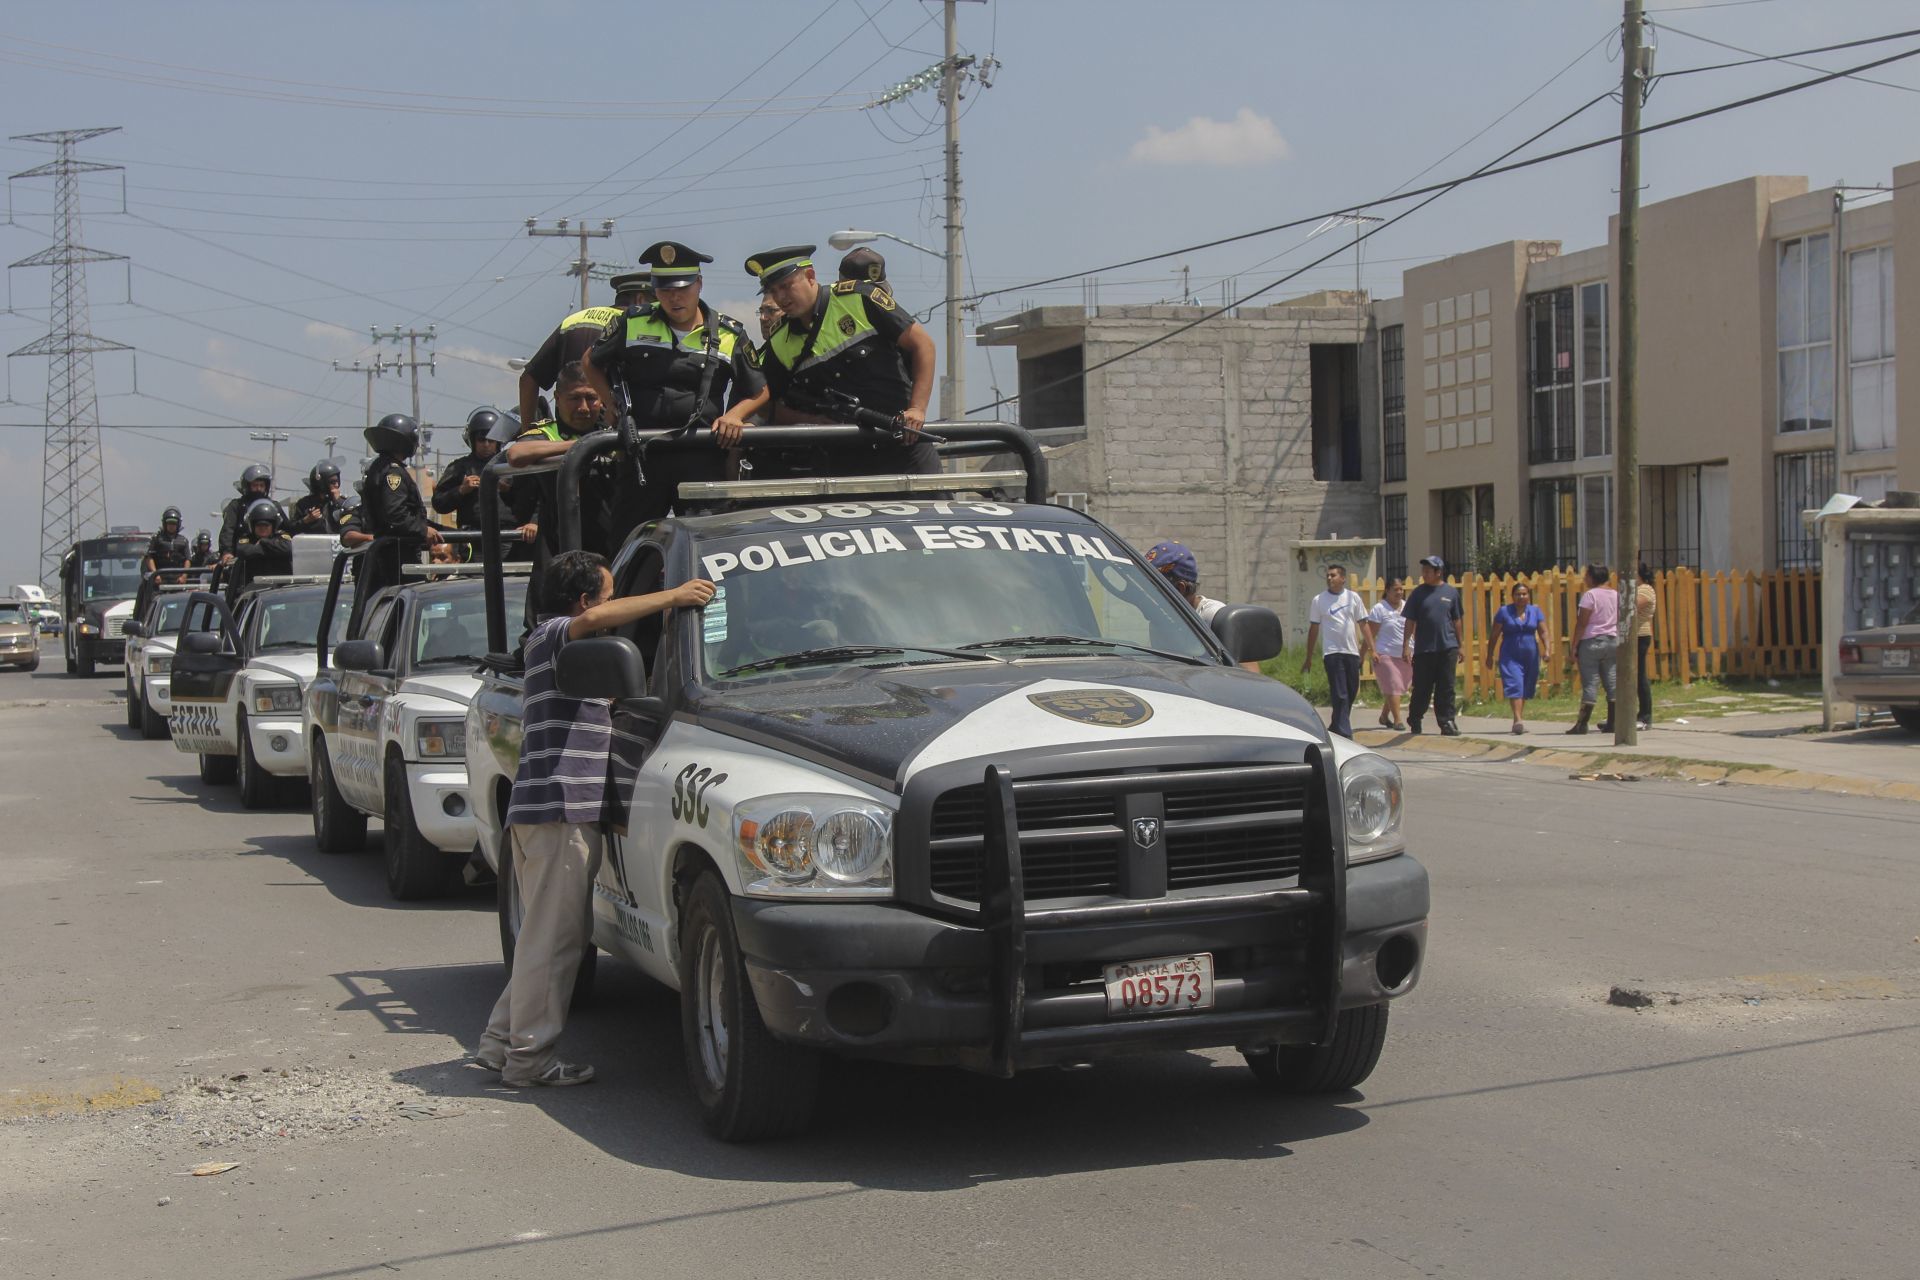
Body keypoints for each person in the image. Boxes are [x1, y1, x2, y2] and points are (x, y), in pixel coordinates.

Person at [475, 549, 715, 1087]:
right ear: (583, 601)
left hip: (545, 808)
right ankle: (529, 1059)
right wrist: (674, 597)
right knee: (556, 939)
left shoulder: (547, 646)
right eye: (609, 598)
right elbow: (590, 622)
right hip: (559, 810)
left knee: (549, 932)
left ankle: (499, 1042)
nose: (611, 609)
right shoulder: (559, 632)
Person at [582, 241, 763, 527]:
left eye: (682, 288)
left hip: (701, 454)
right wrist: (610, 401)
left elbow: (760, 391)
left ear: (699, 284)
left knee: (706, 543)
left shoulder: (730, 333)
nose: (674, 297)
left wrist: (735, 415)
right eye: (665, 289)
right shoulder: (633, 322)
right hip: (642, 453)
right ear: (654, 289)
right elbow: (591, 361)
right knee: (631, 545)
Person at [739, 244, 938, 475]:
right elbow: (765, 401)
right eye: (773, 290)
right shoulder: (779, 340)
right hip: (843, 459)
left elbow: (923, 345)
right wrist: (811, 420)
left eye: (786, 286)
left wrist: (917, 409)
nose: (781, 297)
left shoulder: (857, 298)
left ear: (810, 276)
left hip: (904, 445)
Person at [517, 272, 651, 428]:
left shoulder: (574, 320)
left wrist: (528, 433)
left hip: (566, 439)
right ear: (640, 300)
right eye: (656, 303)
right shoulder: (633, 326)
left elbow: (528, 379)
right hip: (609, 435)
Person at [359, 414, 443, 604]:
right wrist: (423, 530)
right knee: (411, 601)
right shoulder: (393, 472)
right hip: (397, 554)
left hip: (392, 551)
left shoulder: (381, 467)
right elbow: (395, 514)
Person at [1144, 540, 1262, 673]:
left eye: (1153, 589)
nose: (1148, 596)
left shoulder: (1214, 618)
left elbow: (1251, 674)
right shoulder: (1162, 621)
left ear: (1180, 589)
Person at [433, 408, 531, 556]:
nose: (486, 444)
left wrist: (507, 490)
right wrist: (461, 490)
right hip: (473, 537)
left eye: (491, 440)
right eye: (481, 440)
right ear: (473, 440)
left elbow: (531, 500)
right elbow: (439, 503)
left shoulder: (512, 465)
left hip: (508, 536)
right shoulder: (460, 467)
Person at [1302, 564, 1367, 738]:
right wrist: (1308, 657)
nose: (1329, 578)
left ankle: (1336, 725)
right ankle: (1345, 732)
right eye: (1328, 576)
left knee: (1351, 691)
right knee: (1340, 693)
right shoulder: (1319, 600)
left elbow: (1363, 624)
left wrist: (1371, 650)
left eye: (1333, 575)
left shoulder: (1353, 598)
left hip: (1351, 651)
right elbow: (1314, 629)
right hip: (1332, 653)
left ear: (1343, 578)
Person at [1402, 555, 1462, 736]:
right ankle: (1415, 718)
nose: (1425, 574)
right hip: (1424, 649)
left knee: (1446, 686)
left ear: (1438, 572)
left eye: (1429, 571)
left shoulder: (1451, 593)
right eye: (1424, 571)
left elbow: (1457, 620)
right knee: (1422, 687)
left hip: (1447, 646)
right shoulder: (1418, 594)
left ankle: (1447, 721)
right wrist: (1406, 645)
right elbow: (1410, 621)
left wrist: (1461, 645)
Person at [1486, 581, 1549, 734]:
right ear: (1512, 596)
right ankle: (1518, 720)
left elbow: (1543, 632)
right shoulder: (1504, 612)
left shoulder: (1535, 611)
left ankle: (1518, 719)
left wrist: (1547, 649)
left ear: (1529, 596)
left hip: (1530, 654)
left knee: (1526, 686)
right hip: (1510, 654)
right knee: (1515, 684)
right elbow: (1494, 635)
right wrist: (1489, 655)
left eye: (1524, 594)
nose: (1521, 597)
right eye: (1518, 594)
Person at [1569, 564, 1620, 735]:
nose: (1584, 579)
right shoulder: (1616, 595)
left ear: (1592, 577)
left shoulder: (1590, 596)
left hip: (1591, 641)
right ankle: (1613, 722)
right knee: (1612, 681)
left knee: (1590, 683)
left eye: (1586, 576)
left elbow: (1582, 623)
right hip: (1612, 640)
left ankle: (1582, 724)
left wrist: (1574, 645)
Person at [1366, 579, 1411, 731]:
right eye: (1395, 589)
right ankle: (1398, 720)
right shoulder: (1379, 609)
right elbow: (1370, 633)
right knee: (1393, 684)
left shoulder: (1407, 606)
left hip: (1405, 654)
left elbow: (1414, 629)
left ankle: (1384, 716)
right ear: (1387, 590)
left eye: (1401, 589)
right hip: (1385, 654)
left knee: (1398, 688)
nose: (1399, 592)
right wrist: (1370, 652)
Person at [227, 498, 292, 603]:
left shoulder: (282, 537)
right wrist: (273, 550)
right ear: (252, 525)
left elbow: (287, 548)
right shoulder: (246, 539)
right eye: (259, 525)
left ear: (273, 525)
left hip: (281, 592)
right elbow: (244, 551)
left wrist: (263, 542)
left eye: (266, 525)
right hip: (253, 593)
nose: (263, 528)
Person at [138, 506, 191, 620]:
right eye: (169, 523)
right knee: (151, 603)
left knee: (181, 607)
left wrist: (184, 576)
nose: (171, 526)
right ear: (164, 523)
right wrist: (155, 573)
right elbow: (149, 557)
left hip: (177, 580)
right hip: (160, 580)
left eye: (174, 523)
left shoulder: (183, 541)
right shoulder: (157, 539)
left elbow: (188, 559)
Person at [218, 464, 274, 563]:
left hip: (270, 554)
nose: (258, 489)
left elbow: (285, 528)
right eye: (255, 485)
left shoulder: (273, 506)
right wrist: (227, 552)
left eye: (261, 485)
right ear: (247, 486)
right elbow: (228, 530)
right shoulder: (236, 505)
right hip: (241, 556)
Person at [1633, 564, 1657, 730]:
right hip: (1631, 636)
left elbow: (1631, 606)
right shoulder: (1637, 589)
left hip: (1640, 635)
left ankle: (1645, 716)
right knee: (1630, 677)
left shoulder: (1645, 589)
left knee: (1640, 676)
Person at [291, 461, 344, 535]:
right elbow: (291, 530)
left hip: (337, 545)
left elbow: (349, 524)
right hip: (313, 545)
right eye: (333, 482)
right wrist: (306, 520)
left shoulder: (343, 503)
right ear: (322, 483)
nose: (337, 484)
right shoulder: (304, 504)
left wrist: (338, 503)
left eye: (337, 481)